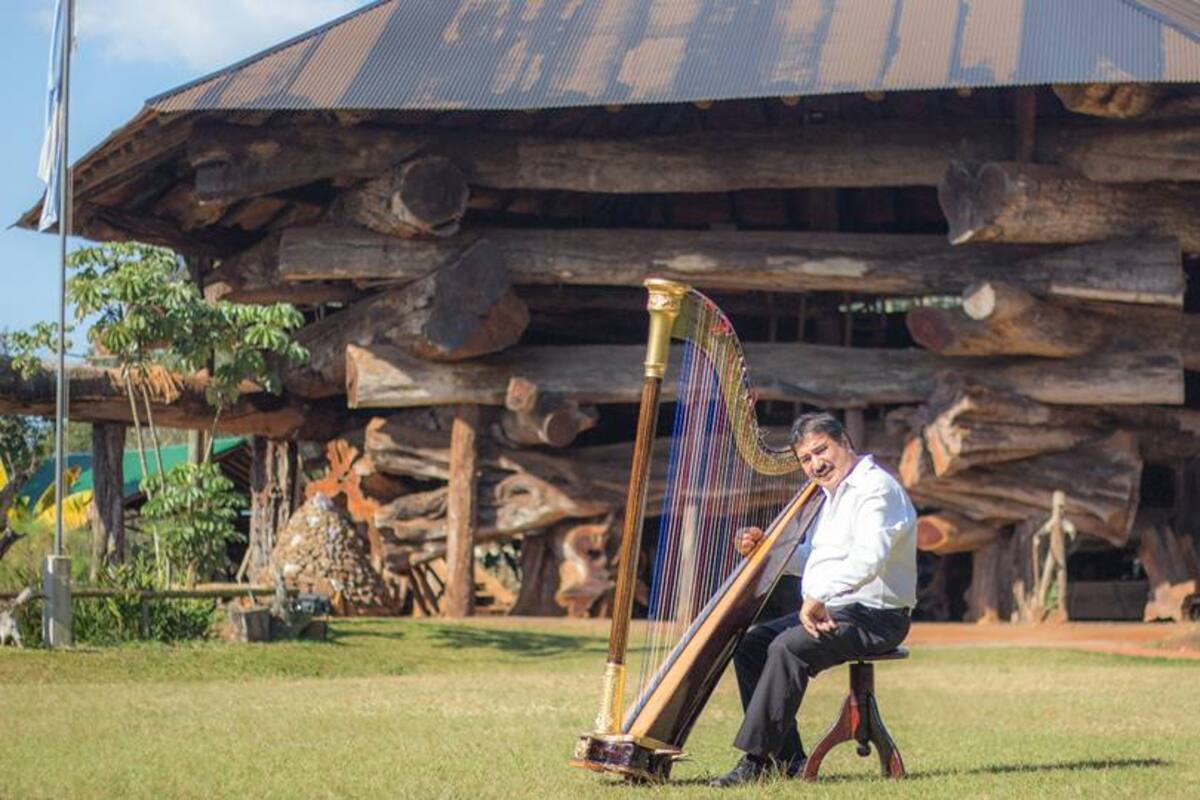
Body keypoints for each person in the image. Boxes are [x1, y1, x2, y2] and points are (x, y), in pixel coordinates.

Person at [710, 411, 917, 787]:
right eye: (806, 459)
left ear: (845, 442)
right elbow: (814, 560)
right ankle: (787, 758)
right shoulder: (831, 496)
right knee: (752, 644)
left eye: (821, 450)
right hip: (840, 610)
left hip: (878, 617)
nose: (816, 464)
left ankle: (757, 761)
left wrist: (819, 595)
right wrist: (767, 551)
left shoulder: (876, 489)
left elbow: (868, 560)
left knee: (788, 647)